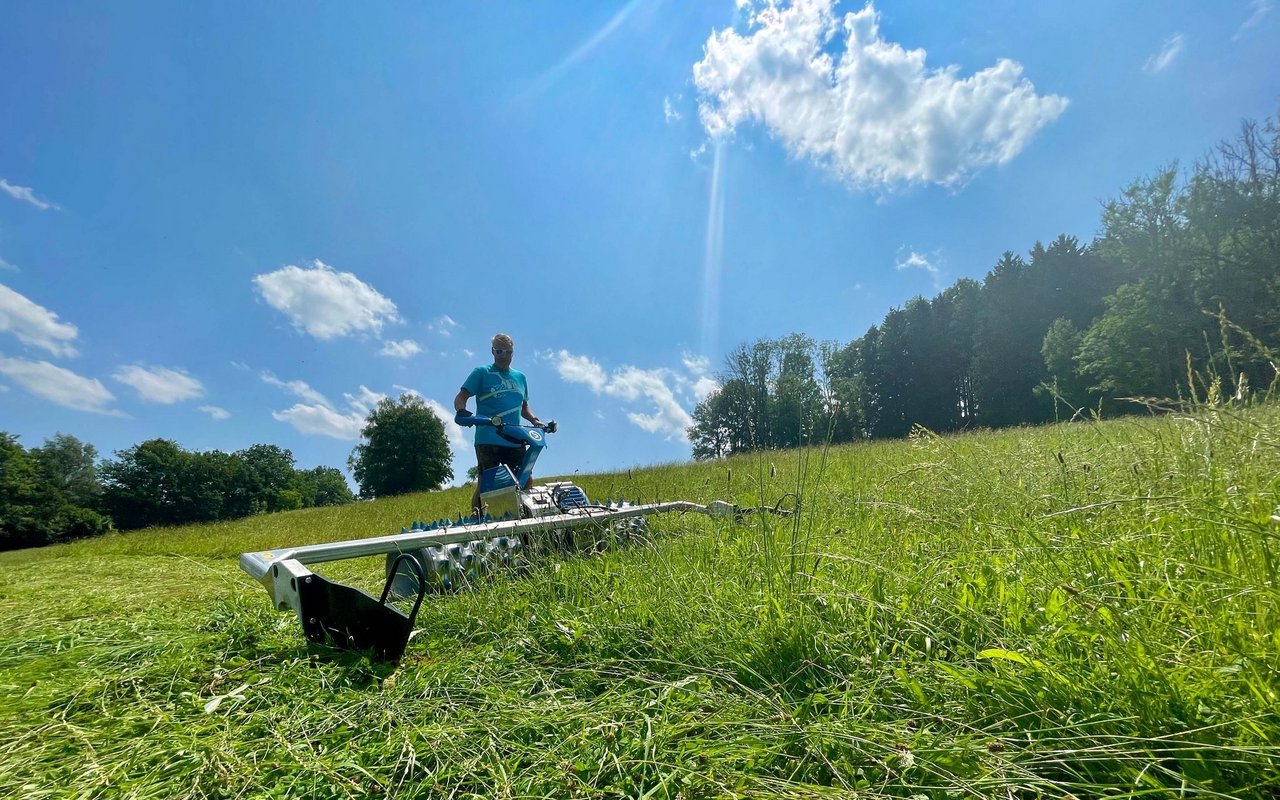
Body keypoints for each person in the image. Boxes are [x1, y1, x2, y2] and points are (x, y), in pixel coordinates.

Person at [454, 333, 543, 514]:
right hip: (488, 437)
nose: (504, 356)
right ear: (492, 351)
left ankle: (527, 520)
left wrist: (534, 420)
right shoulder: (482, 373)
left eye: (508, 352)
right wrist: (461, 411)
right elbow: (462, 396)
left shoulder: (520, 377)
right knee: (487, 482)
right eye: (499, 351)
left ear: (513, 353)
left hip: (515, 438)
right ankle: (478, 522)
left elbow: (524, 407)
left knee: (525, 480)